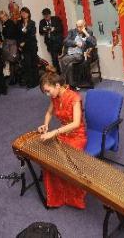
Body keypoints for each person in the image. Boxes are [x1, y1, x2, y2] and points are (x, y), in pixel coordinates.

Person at [37, 72, 87, 209]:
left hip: (77, 135)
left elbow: (76, 123)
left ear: (57, 85)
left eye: (48, 91)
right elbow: (49, 113)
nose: (48, 94)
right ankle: (57, 197)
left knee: (66, 162)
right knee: (49, 159)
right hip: (63, 133)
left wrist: (53, 132)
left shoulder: (74, 97)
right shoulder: (56, 97)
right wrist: (46, 125)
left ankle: (73, 198)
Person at [60, 20, 96, 88]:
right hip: (71, 54)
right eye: (77, 27)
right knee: (69, 65)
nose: (78, 28)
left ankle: (63, 82)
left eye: (80, 27)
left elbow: (93, 43)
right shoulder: (72, 31)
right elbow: (65, 41)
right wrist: (75, 43)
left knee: (63, 60)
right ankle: (71, 84)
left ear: (84, 26)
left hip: (82, 54)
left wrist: (85, 32)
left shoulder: (89, 32)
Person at [17, 7, 39, 89]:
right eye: (22, 13)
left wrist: (24, 42)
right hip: (24, 48)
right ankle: (30, 82)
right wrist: (20, 44)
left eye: (25, 13)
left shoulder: (32, 23)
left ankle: (36, 81)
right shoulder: (19, 23)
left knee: (34, 64)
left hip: (32, 45)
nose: (24, 14)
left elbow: (32, 35)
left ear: (28, 13)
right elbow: (18, 35)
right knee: (27, 65)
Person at [39, 8, 64, 74]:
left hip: (58, 42)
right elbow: (40, 31)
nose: (46, 17)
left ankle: (65, 72)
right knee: (54, 60)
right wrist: (45, 29)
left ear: (50, 14)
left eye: (47, 15)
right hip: (50, 43)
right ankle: (58, 73)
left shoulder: (56, 19)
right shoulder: (42, 22)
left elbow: (61, 28)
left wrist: (54, 29)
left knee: (63, 58)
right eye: (45, 16)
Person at [0, 10, 19, 85]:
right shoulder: (5, 23)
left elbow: (9, 34)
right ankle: (14, 79)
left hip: (12, 44)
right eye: (1, 17)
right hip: (9, 44)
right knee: (12, 62)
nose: (2, 18)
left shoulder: (10, 23)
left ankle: (15, 79)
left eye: (3, 16)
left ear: (6, 16)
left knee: (13, 61)